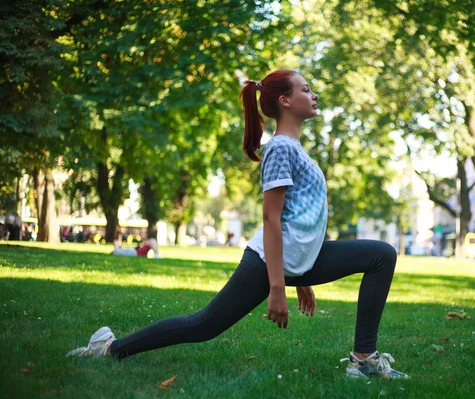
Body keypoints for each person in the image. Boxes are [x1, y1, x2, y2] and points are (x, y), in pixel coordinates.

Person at [66, 70, 407, 380]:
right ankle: (109, 348)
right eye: (306, 89)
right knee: (203, 325)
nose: (314, 95)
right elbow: (272, 220)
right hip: (266, 261)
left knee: (380, 255)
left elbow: (300, 218)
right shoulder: (280, 150)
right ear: (285, 101)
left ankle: (363, 358)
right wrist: (278, 287)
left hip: (295, 258)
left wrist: (302, 277)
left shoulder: (296, 149)